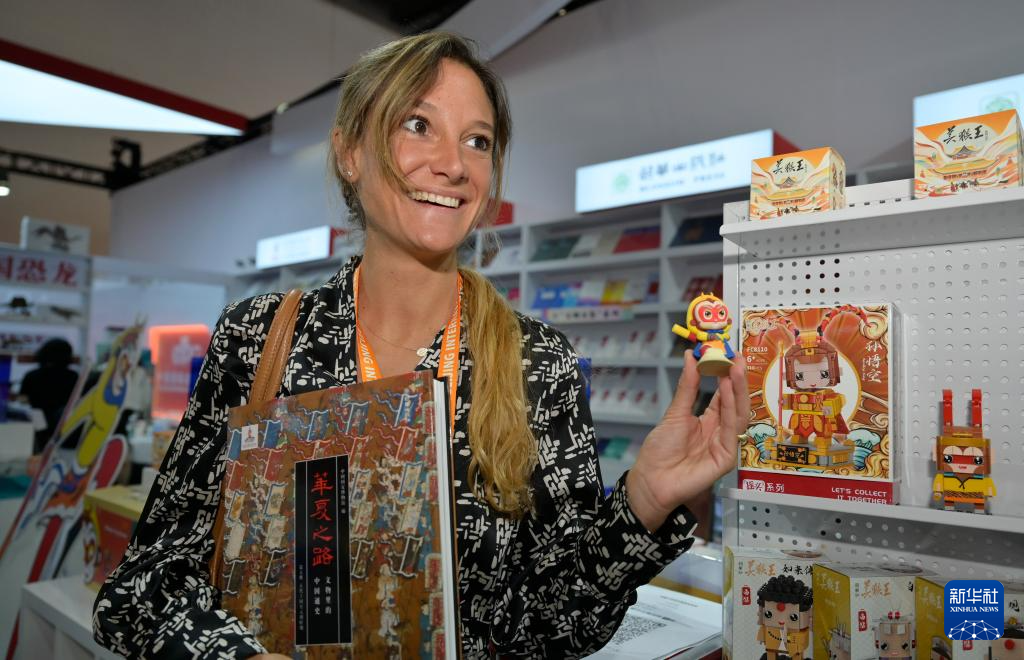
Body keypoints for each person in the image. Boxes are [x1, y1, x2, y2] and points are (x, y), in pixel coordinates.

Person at [93, 31, 750, 660]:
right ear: (350, 152)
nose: (453, 164)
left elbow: (552, 626)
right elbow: (142, 586)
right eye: (418, 125)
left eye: (477, 140)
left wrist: (644, 503)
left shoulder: (537, 362)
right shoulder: (260, 338)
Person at [17, 337, 78, 454]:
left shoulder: (32, 375)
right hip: (62, 420)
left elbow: (22, 400)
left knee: (39, 444)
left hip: (38, 418)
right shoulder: (73, 376)